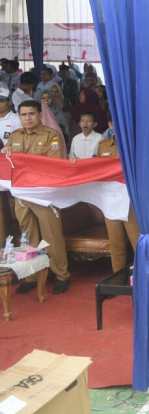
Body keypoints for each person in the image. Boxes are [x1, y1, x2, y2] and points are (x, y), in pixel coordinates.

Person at [5, 100, 70, 295]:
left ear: (40, 114)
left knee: (52, 236)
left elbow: (53, 166)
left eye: (31, 114)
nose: (27, 118)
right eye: (23, 115)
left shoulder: (52, 136)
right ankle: (32, 276)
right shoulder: (14, 136)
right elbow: (9, 164)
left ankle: (61, 276)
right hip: (22, 195)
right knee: (28, 236)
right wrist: (4, 153)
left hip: (44, 195)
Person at [85, 121, 141, 273]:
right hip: (110, 199)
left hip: (131, 199)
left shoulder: (139, 143)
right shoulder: (103, 145)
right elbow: (96, 169)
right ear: (110, 125)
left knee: (138, 241)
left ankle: (145, 276)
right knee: (116, 243)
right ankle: (117, 276)